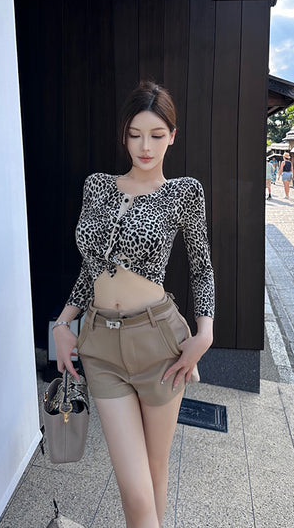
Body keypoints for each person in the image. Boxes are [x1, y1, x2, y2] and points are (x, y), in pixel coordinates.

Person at [52, 81, 215, 528]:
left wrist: (206, 333)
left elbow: (201, 267)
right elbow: (91, 269)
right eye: (136, 134)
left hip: (158, 342)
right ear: (123, 135)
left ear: (173, 136)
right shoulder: (98, 187)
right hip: (100, 345)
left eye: (157, 135)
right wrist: (62, 324)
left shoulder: (184, 192)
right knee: (134, 487)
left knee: (154, 476)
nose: (146, 146)